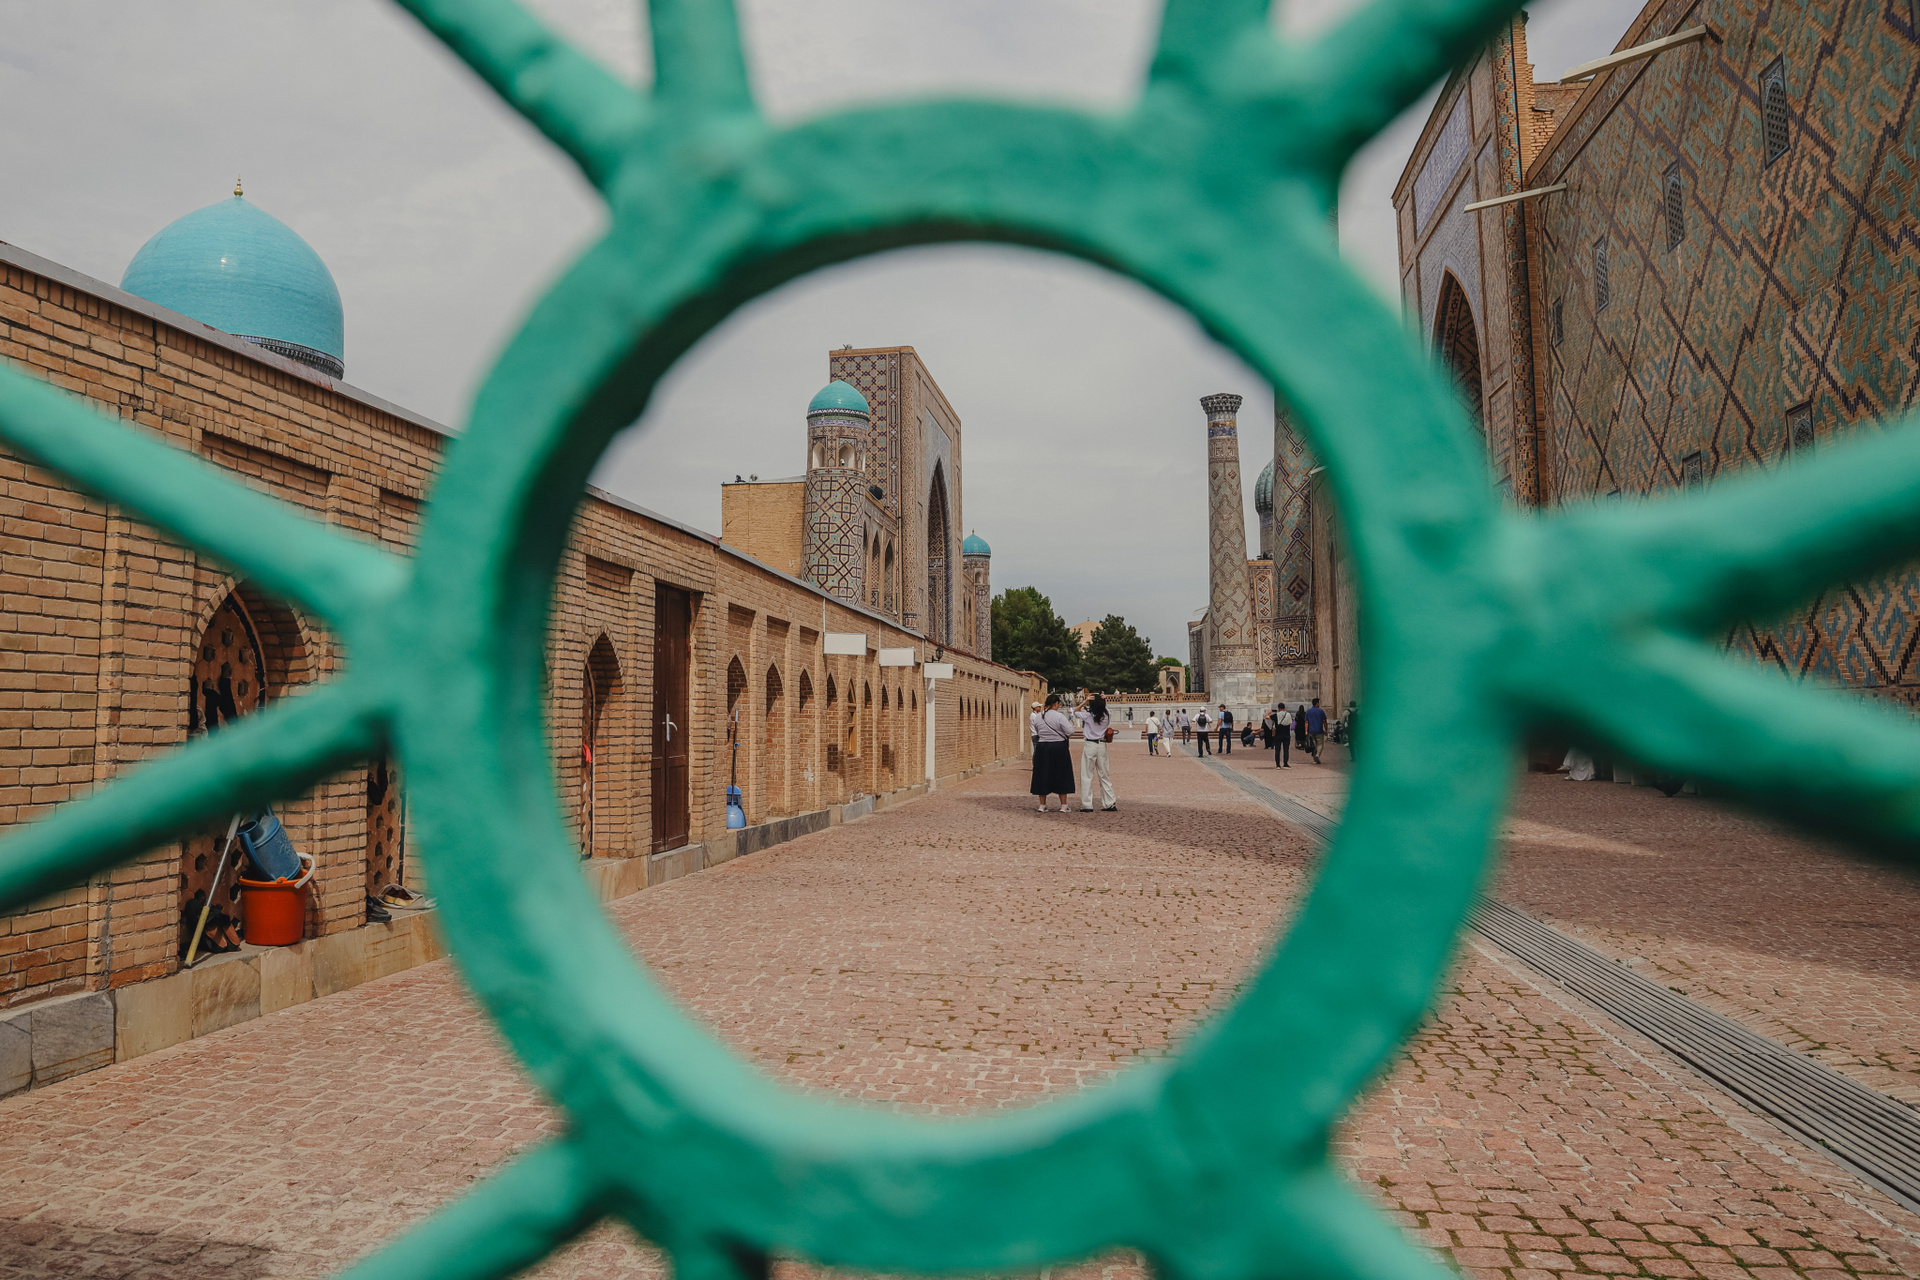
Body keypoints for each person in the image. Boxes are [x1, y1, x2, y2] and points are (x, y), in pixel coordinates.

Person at [1030, 693, 1077, 812]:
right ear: (1056, 704)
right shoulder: (1059, 716)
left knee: (1042, 774)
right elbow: (1070, 731)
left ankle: (1042, 805)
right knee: (1062, 774)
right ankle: (1063, 805)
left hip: (1042, 746)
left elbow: (1037, 730)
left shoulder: (1038, 717)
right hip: (1058, 746)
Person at [1075, 692, 1118, 812]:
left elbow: (1074, 712)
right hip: (1102, 745)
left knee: (1086, 775)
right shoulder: (1107, 714)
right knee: (1104, 774)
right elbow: (1106, 708)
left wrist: (1085, 701)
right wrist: (1104, 700)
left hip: (1090, 744)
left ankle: (1087, 804)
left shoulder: (1088, 715)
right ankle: (1109, 803)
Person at [1304, 697, 1327, 764]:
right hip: (1319, 730)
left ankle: (1315, 760)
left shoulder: (1308, 711)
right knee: (1320, 744)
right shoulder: (1321, 711)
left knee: (1313, 745)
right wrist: (1326, 729)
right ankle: (1318, 755)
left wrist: (1306, 731)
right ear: (1317, 703)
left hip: (1311, 731)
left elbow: (1306, 722)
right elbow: (1324, 721)